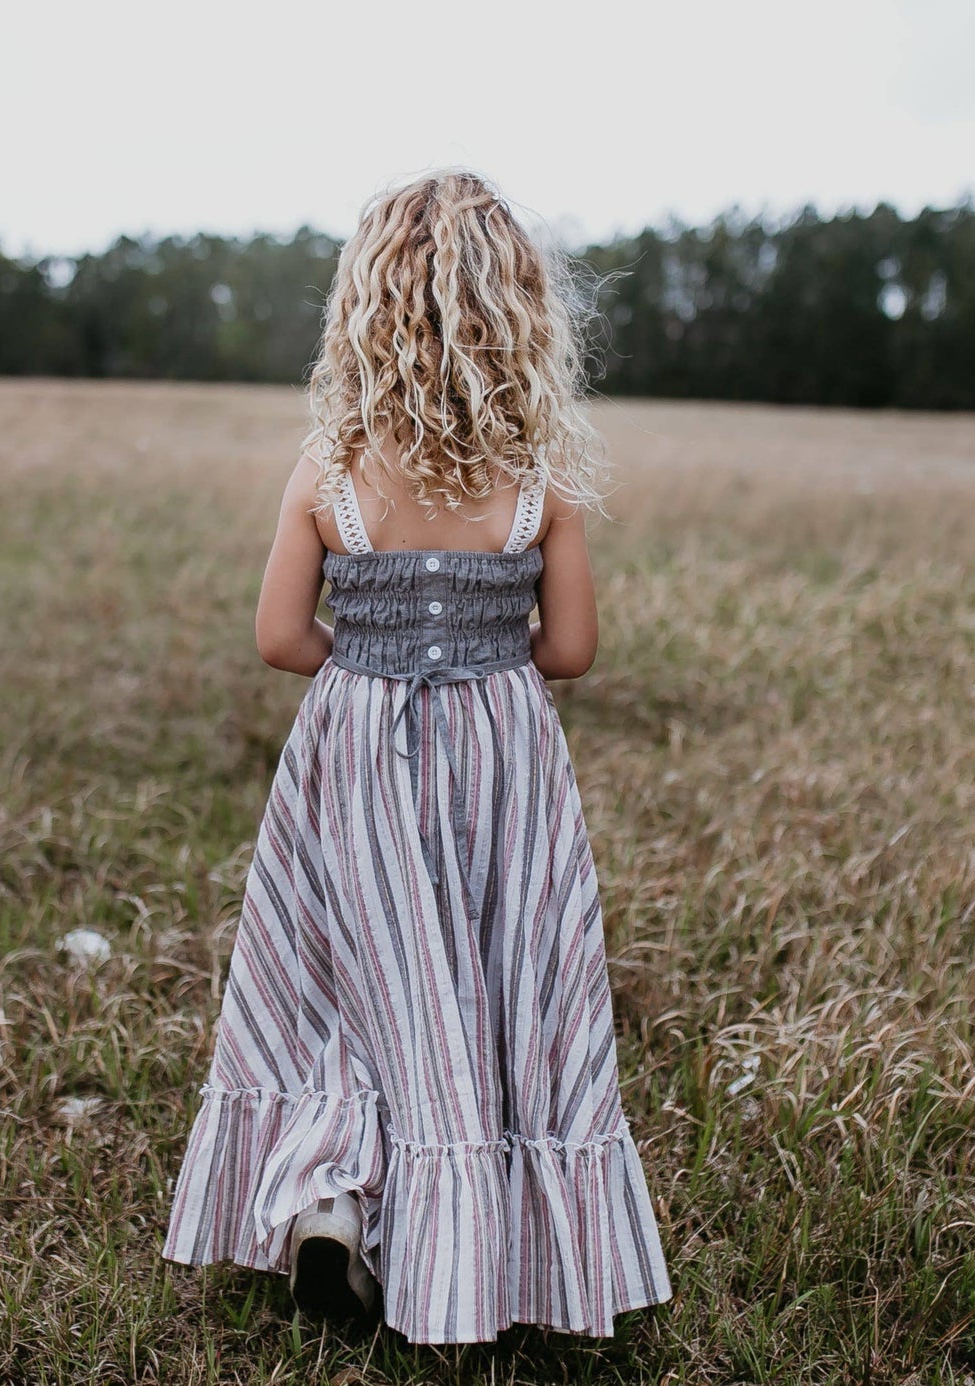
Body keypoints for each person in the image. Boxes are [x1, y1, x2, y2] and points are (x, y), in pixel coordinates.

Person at [160, 168, 673, 1346]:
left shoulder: (327, 474)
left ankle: (333, 1195)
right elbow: (575, 650)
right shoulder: (542, 484)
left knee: (353, 980)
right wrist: (482, 652)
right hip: (500, 758)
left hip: (357, 747)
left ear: (366, 311)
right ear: (520, 316)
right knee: (492, 986)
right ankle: (481, 1240)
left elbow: (279, 638)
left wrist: (377, 652)